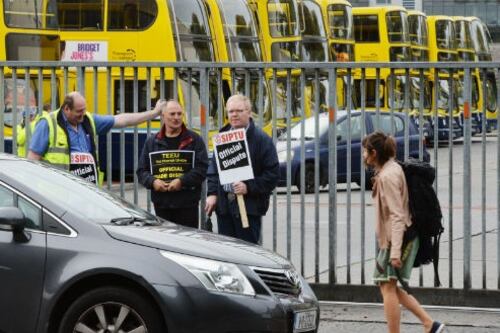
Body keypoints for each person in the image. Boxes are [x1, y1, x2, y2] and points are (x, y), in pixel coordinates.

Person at [362, 131, 445, 333]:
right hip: (395, 238)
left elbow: (398, 215)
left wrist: (396, 251)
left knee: (387, 287)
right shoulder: (391, 169)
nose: (363, 156)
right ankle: (429, 324)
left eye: (365, 152)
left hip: (399, 238)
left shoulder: (388, 176)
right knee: (387, 285)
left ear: (374, 153)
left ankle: (419, 326)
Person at [27, 91, 165, 184]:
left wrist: (154, 113)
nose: (83, 114)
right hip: (59, 190)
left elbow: (122, 120)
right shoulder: (47, 124)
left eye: (84, 110)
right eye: (79, 111)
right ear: (66, 109)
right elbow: (32, 160)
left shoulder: (88, 120)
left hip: (87, 190)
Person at [205, 94, 279, 244]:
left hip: (249, 209)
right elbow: (214, 169)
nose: (234, 115)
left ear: (249, 112)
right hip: (224, 209)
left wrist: (248, 187)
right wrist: (212, 193)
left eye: (239, 111)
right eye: (231, 111)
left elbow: (272, 175)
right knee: (227, 255)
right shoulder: (222, 136)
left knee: (248, 254)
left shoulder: (262, 140)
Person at [136, 100, 208, 228]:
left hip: (188, 205)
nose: (177, 118)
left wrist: (182, 181)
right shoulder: (152, 142)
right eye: (172, 114)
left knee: (187, 242)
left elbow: (202, 169)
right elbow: (141, 171)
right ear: (163, 116)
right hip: (161, 205)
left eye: (180, 114)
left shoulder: (194, 140)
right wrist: (153, 182)